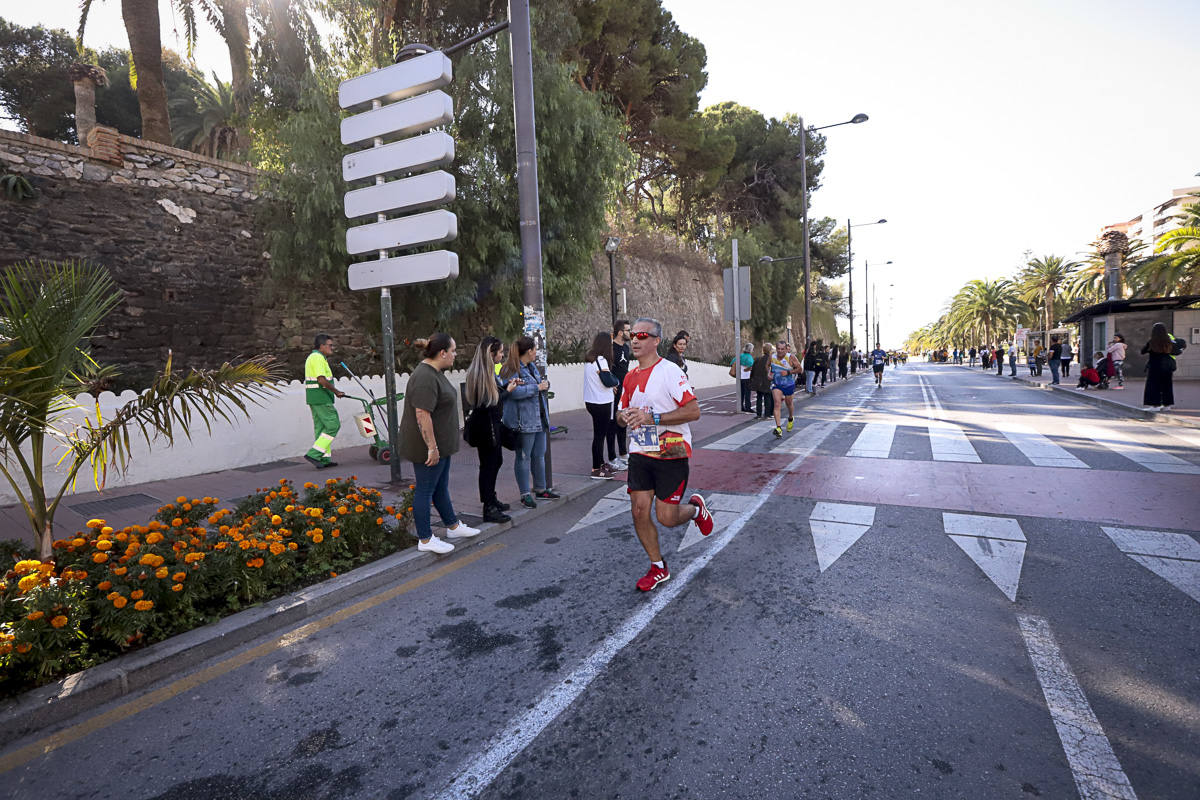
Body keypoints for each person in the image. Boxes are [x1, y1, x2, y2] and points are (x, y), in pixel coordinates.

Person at [617, 317, 714, 592]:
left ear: (656, 341)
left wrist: (653, 418)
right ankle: (658, 567)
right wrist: (624, 416)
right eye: (632, 335)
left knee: (667, 517)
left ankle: (695, 510)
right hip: (640, 450)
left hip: (671, 450)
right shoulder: (629, 376)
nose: (635, 339)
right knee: (638, 511)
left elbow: (693, 411)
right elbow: (620, 414)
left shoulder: (670, 371)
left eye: (643, 335)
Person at [399, 334, 480, 554]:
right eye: (453, 350)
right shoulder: (425, 377)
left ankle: (452, 526)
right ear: (442, 353)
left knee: (440, 487)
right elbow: (422, 414)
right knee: (425, 490)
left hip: (441, 445)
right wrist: (432, 447)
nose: (455, 354)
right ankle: (425, 539)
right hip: (428, 447)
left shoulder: (434, 373)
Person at [500, 337, 559, 507]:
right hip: (524, 421)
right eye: (535, 349)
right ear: (528, 351)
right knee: (523, 457)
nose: (536, 352)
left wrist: (544, 384)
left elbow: (537, 385)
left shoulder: (531, 367)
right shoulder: (511, 369)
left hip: (539, 418)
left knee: (539, 455)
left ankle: (541, 489)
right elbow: (513, 392)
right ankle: (525, 494)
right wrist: (537, 388)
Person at [464, 336, 512, 523]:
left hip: (490, 424)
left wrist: (506, 388)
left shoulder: (485, 372)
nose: (502, 355)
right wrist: (507, 391)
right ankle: (489, 507)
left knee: (495, 462)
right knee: (489, 465)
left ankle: (491, 499)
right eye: (500, 352)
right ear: (491, 354)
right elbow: (490, 401)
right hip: (486, 427)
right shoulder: (483, 374)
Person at [302, 334, 347, 470]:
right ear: (322, 346)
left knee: (321, 428)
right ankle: (314, 454)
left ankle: (324, 458)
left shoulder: (315, 357)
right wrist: (336, 391)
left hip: (315, 398)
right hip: (321, 398)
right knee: (333, 425)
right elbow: (321, 380)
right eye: (330, 345)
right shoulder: (317, 358)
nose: (332, 348)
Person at [584, 331, 621, 480]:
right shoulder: (601, 361)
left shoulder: (590, 360)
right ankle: (596, 469)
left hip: (592, 401)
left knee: (599, 435)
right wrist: (616, 382)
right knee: (600, 436)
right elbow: (608, 381)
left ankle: (600, 463)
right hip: (602, 403)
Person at [1141, 322, 1183, 410]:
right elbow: (1177, 352)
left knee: (1153, 386)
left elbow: (1143, 351)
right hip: (1167, 367)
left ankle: (1155, 405)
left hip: (1155, 366)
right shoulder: (1168, 342)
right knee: (1167, 386)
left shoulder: (1151, 342)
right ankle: (1167, 405)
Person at [610, 320, 632, 468]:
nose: (630, 333)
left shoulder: (626, 347)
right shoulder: (611, 348)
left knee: (623, 419)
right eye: (627, 330)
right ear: (620, 332)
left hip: (625, 388)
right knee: (612, 422)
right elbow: (607, 368)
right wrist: (611, 384)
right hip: (614, 390)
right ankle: (613, 457)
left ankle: (623, 452)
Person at [771, 341, 802, 437]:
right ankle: (779, 428)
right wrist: (769, 374)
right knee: (777, 404)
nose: (780, 351)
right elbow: (767, 366)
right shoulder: (772, 357)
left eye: (782, 349)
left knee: (789, 404)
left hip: (788, 384)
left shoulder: (791, 357)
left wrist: (788, 372)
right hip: (776, 384)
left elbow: (800, 369)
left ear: (786, 349)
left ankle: (791, 418)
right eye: (778, 349)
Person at [750, 343, 775, 419]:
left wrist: (752, 380)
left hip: (758, 382)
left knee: (759, 398)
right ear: (770, 350)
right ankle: (767, 414)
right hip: (767, 381)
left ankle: (758, 414)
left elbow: (753, 371)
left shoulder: (758, 359)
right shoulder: (772, 360)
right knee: (768, 398)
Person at [733, 342, 755, 412]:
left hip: (740, 377)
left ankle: (741, 406)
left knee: (741, 393)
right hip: (747, 377)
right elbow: (752, 366)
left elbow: (732, 362)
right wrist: (747, 369)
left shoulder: (740, 356)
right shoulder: (749, 357)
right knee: (747, 393)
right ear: (750, 349)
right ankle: (748, 407)